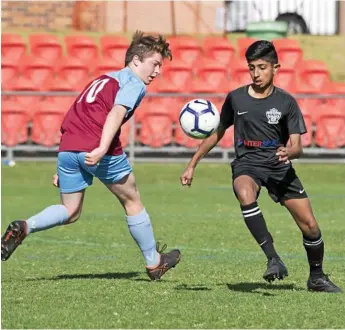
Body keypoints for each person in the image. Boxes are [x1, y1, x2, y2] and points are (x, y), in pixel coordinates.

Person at [1, 31, 181, 281]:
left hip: (69, 145)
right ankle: (154, 263)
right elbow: (116, 113)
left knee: (70, 210)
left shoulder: (103, 78)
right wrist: (101, 148)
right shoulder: (133, 83)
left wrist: (67, 159)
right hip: (97, 146)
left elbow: (75, 112)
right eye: (155, 64)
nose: (158, 71)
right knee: (132, 201)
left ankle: (25, 226)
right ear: (137, 60)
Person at [180, 40, 341, 293]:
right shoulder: (236, 99)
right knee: (243, 190)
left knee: (310, 226)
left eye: (262, 67)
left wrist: (290, 152)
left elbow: (298, 146)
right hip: (248, 163)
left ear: (275, 67)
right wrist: (192, 164)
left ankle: (317, 278)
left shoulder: (286, 102)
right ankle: (273, 258)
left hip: (278, 165)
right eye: (251, 68)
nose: (256, 74)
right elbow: (216, 133)